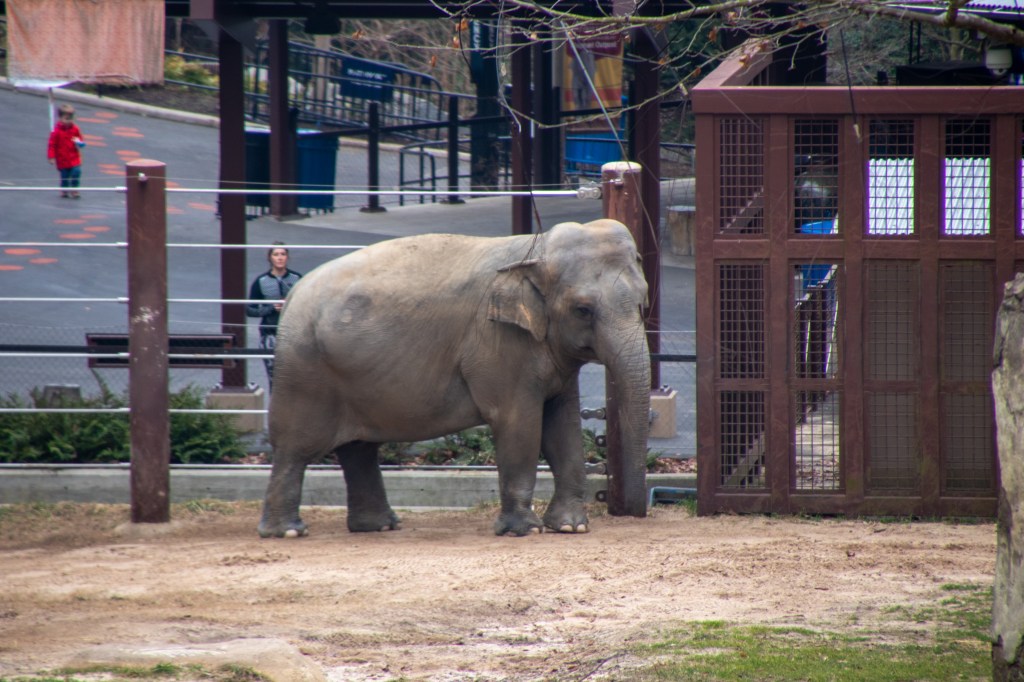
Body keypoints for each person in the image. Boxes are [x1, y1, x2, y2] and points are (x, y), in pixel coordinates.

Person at [246, 242, 302, 391]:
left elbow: (307, 305)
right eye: (276, 254)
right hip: (269, 334)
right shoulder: (261, 281)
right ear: (269, 258)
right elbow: (250, 310)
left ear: (288, 257)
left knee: (296, 376)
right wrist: (270, 309)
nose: (279, 258)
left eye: (283, 254)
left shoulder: (297, 278)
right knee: (274, 377)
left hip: (294, 334)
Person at [47, 104, 86, 199]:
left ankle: (74, 189)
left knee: (76, 172)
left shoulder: (75, 129)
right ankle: (64, 189)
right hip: (62, 159)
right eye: (67, 118)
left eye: (71, 118)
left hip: (74, 157)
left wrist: (80, 143)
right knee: (65, 176)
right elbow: (52, 145)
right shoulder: (56, 131)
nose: (69, 121)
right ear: (60, 118)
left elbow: (80, 139)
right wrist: (51, 157)